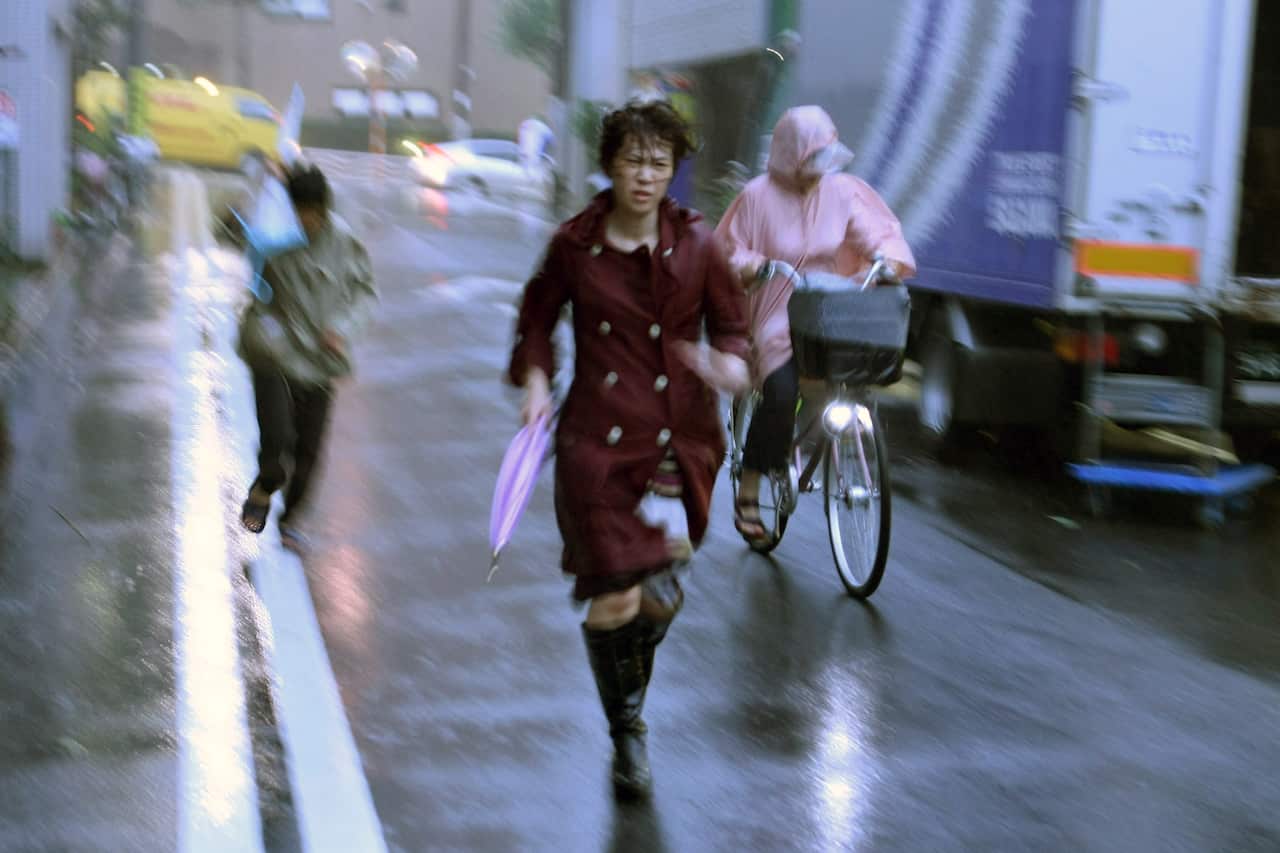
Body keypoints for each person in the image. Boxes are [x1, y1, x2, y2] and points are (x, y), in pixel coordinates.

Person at [507, 100, 751, 799]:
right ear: (610, 163)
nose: (645, 175)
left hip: (678, 445)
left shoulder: (700, 245)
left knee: (659, 600)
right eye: (632, 159)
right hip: (596, 443)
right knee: (614, 599)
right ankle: (628, 735)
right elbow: (535, 316)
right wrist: (535, 381)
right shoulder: (574, 244)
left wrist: (726, 364)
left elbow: (733, 330)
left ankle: (626, 696)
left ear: (673, 170)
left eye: (659, 162)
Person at [715, 106, 917, 545]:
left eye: (825, 159)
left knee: (853, 373)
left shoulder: (842, 193)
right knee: (782, 391)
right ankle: (748, 490)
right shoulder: (756, 196)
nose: (819, 171)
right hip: (776, 308)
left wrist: (884, 258)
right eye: (811, 160)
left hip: (828, 307)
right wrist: (758, 264)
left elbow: (873, 233)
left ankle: (802, 441)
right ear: (789, 157)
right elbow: (729, 250)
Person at [237, 164, 378, 551]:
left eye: (312, 214)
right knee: (278, 435)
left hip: (320, 359)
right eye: (298, 213)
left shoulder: (344, 242)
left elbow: (365, 291)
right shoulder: (272, 237)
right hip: (275, 353)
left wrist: (343, 329)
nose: (306, 222)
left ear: (324, 209)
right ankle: (266, 484)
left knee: (310, 449)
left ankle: (292, 520)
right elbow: (247, 265)